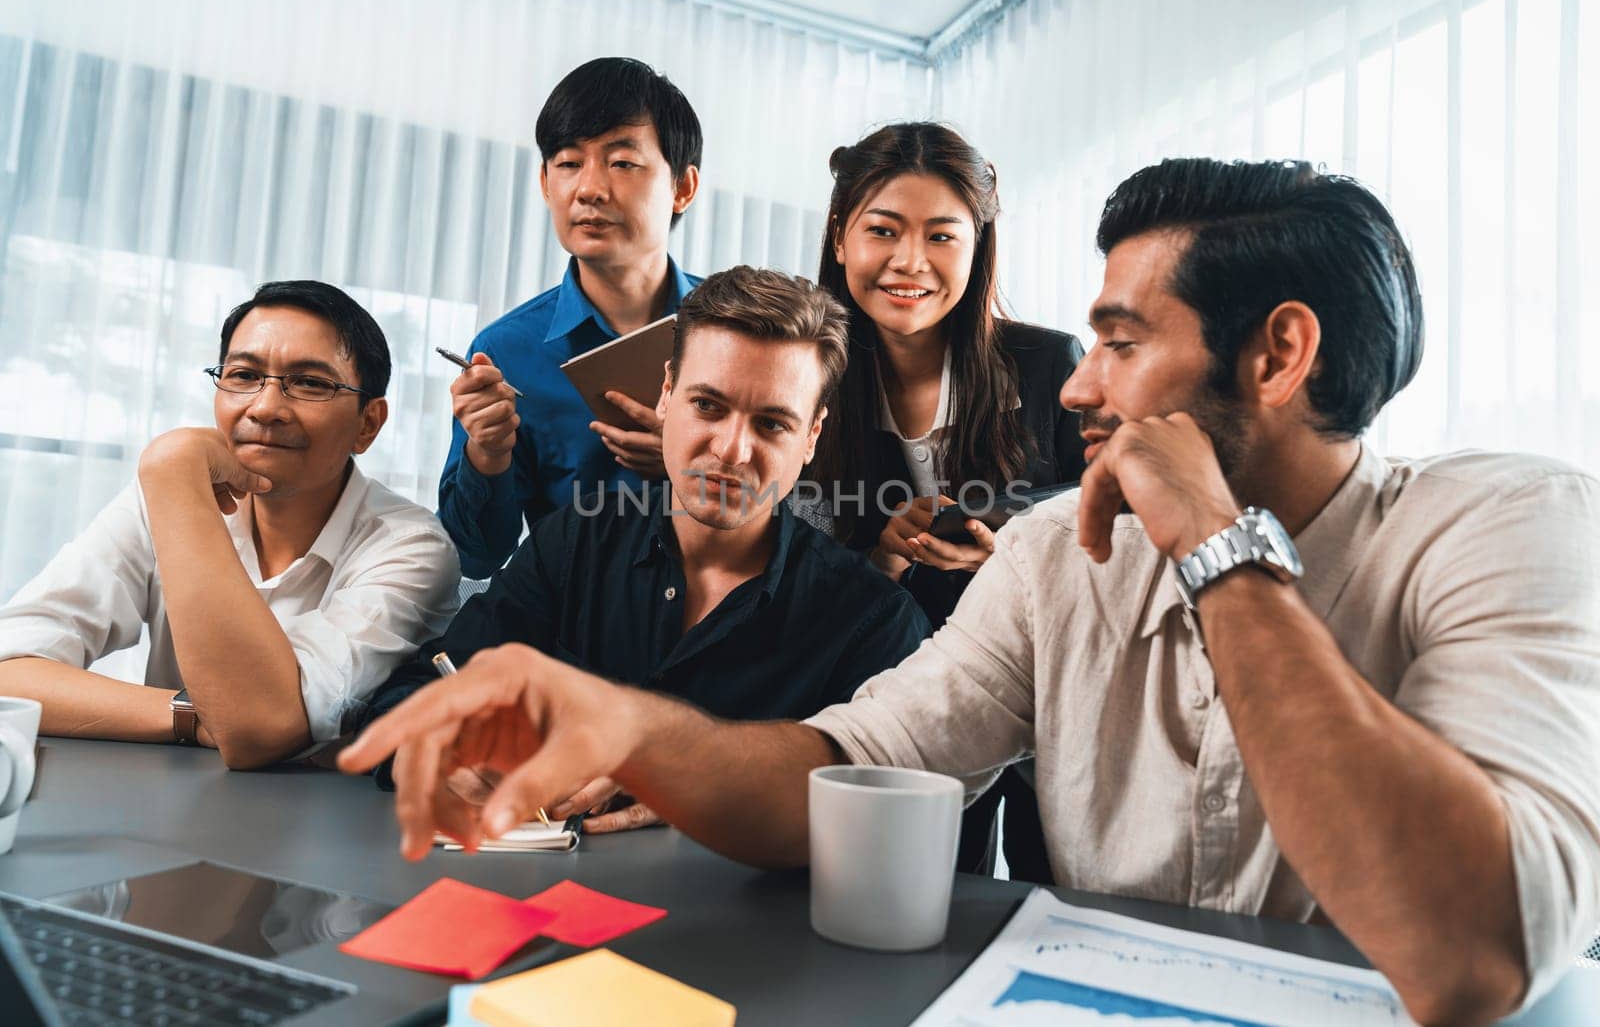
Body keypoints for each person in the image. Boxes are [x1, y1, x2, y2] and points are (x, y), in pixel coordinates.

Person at [342, 159, 1600, 1023]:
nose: (1077, 386)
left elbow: (1470, 950)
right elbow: (851, 764)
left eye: (1119, 341)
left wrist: (1219, 542)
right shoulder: (1059, 555)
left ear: (1276, 353)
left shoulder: (1507, 521)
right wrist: (626, 728)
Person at [357, 266, 930, 833]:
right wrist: (431, 752)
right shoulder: (573, 543)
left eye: (773, 424)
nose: (732, 450)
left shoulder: (873, 623)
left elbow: (885, 812)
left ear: (812, 437)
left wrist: (704, 786)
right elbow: (413, 693)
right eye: (708, 406)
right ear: (665, 396)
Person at [0, 281, 460, 770]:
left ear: (368, 423)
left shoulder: (412, 547)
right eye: (243, 374)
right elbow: (11, 669)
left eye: (310, 383)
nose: (263, 408)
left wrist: (241, 719)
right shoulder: (174, 491)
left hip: (323, 825)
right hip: (163, 800)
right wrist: (196, 716)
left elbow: (259, 729)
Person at [805, 122, 1088, 881]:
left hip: (1047, 686)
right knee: (920, 895)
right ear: (840, 239)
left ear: (977, 247)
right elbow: (800, 573)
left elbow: (1112, 495)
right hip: (896, 695)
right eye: (883, 231)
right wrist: (885, 554)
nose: (910, 262)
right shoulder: (810, 383)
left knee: (1047, 890)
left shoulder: (1049, 363)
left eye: (942, 236)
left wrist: (1006, 525)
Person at [439, 57, 705, 578]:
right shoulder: (508, 349)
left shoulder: (741, 334)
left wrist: (687, 472)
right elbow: (475, 558)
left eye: (622, 163)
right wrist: (486, 455)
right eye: (567, 163)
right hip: (570, 633)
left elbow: (807, 505)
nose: (588, 189)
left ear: (682, 187)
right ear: (544, 182)